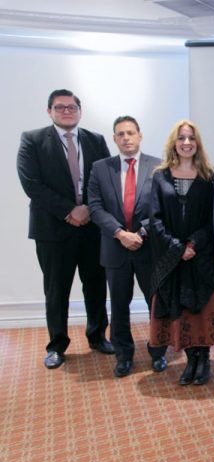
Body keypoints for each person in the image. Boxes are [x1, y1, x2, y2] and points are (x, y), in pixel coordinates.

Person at [17, 89, 113, 369]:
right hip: (52, 230)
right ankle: (56, 345)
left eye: (72, 107)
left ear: (80, 111)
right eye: (60, 107)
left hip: (92, 228)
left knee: (95, 285)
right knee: (56, 290)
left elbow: (106, 179)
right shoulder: (32, 140)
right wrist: (70, 211)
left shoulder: (96, 140)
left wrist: (89, 210)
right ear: (49, 111)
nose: (66, 111)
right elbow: (31, 184)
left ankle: (97, 336)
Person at [148, 120, 214, 386]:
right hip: (172, 258)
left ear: (198, 143)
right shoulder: (160, 176)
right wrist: (176, 247)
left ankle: (203, 360)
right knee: (181, 311)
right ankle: (190, 360)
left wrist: (194, 244)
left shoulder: (210, 176)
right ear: (174, 143)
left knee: (204, 312)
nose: (186, 143)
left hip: (202, 257)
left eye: (191, 138)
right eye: (181, 138)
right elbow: (154, 218)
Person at [89, 115, 168, 377]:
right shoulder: (100, 168)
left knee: (155, 302)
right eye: (120, 134)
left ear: (140, 135)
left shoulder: (158, 166)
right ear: (114, 139)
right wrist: (120, 233)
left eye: (130, 133)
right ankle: (123, 355)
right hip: (115, 248)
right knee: (119, 305)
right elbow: (95, 207)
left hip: (149, 248)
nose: (126, 138)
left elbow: (162, 207)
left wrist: (141, 232)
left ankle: (158, 350)